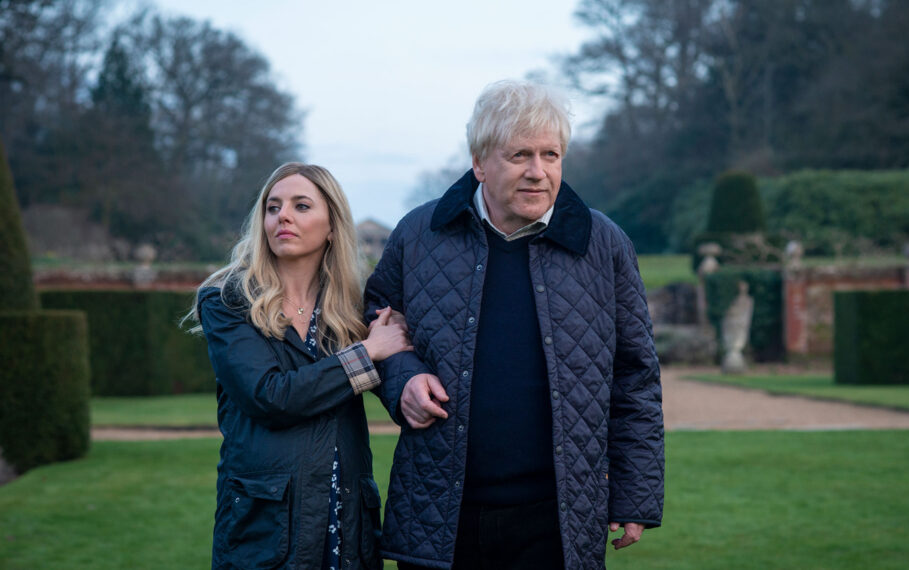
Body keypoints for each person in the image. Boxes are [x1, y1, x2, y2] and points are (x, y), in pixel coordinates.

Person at [364, 80, 664, 569]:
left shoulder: (604, 242)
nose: (537, 172)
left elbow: (636, 375)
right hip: (441, 512)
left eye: (551, 154)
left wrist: (636, 493)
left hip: (559, 519)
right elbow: (375, 317)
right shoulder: (419, 234)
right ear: (479, 162)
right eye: (519, 154)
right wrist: (403, 380)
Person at [187, 162, 411, 569]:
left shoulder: (350, 312)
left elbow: (397, 380)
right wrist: (367, 354)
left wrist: (408, 365)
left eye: (301, 205)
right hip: (267, 529)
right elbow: (269, 396)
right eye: (273, 207)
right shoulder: (227, 301)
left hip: (347, 526)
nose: (282, 216)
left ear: (331, 227)